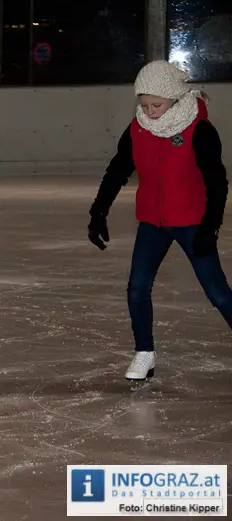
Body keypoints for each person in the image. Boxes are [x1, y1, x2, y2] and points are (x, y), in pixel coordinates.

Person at [87, 60, 231, 390]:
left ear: (174, 98)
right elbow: (118, 170)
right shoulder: (138, 128)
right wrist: (98, 212)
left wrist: (210, 227)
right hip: (153, 222)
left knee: (218, 293)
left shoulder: (199, 129)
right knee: (137, 288)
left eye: (157, 105)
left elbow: (217, 182)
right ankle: (144, 353)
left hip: (192, 222)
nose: (150, 113)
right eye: (144, 105)